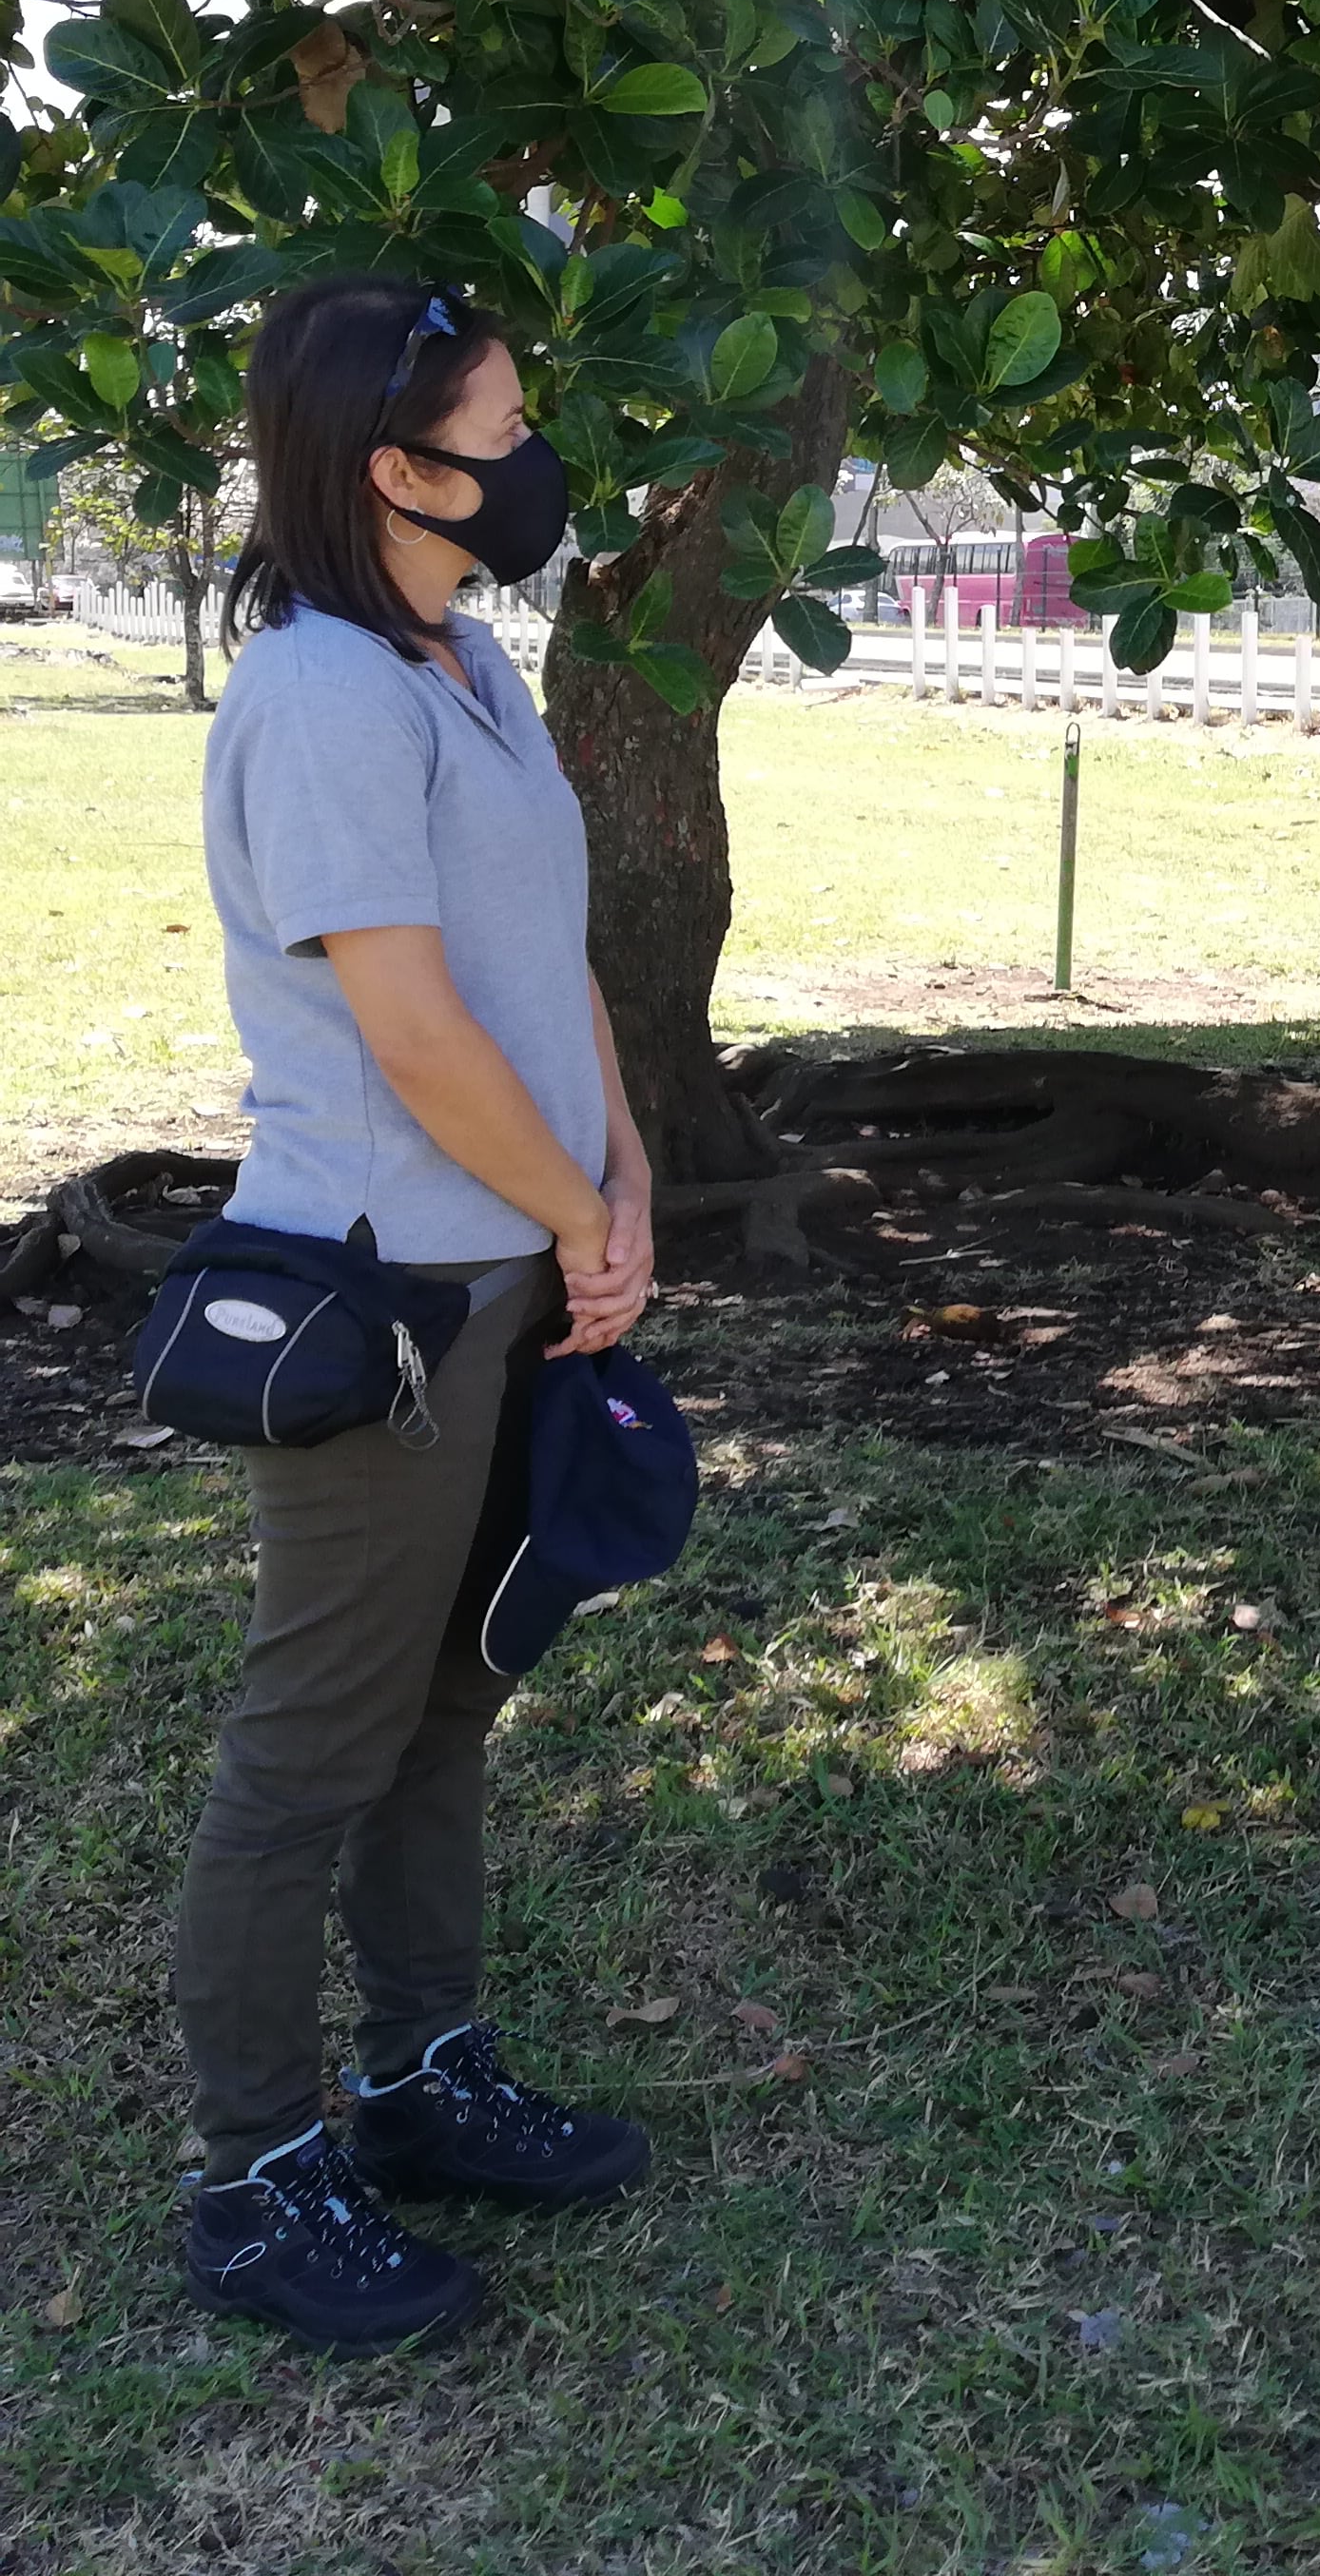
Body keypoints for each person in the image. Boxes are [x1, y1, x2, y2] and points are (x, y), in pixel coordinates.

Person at [176, 278, 659, 2351]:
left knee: (449, 1702)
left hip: (520, 1264)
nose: (542, 457)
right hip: (384, 1294)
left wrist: (619, 1191)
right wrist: (571, 1207)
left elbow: (546, 973)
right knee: (313, 1742)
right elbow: (411, 1024)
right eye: (510, 420)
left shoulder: (464, 659)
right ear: (396, 463)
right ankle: (257, 2173)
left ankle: (420, 2075)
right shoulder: (320, 698)